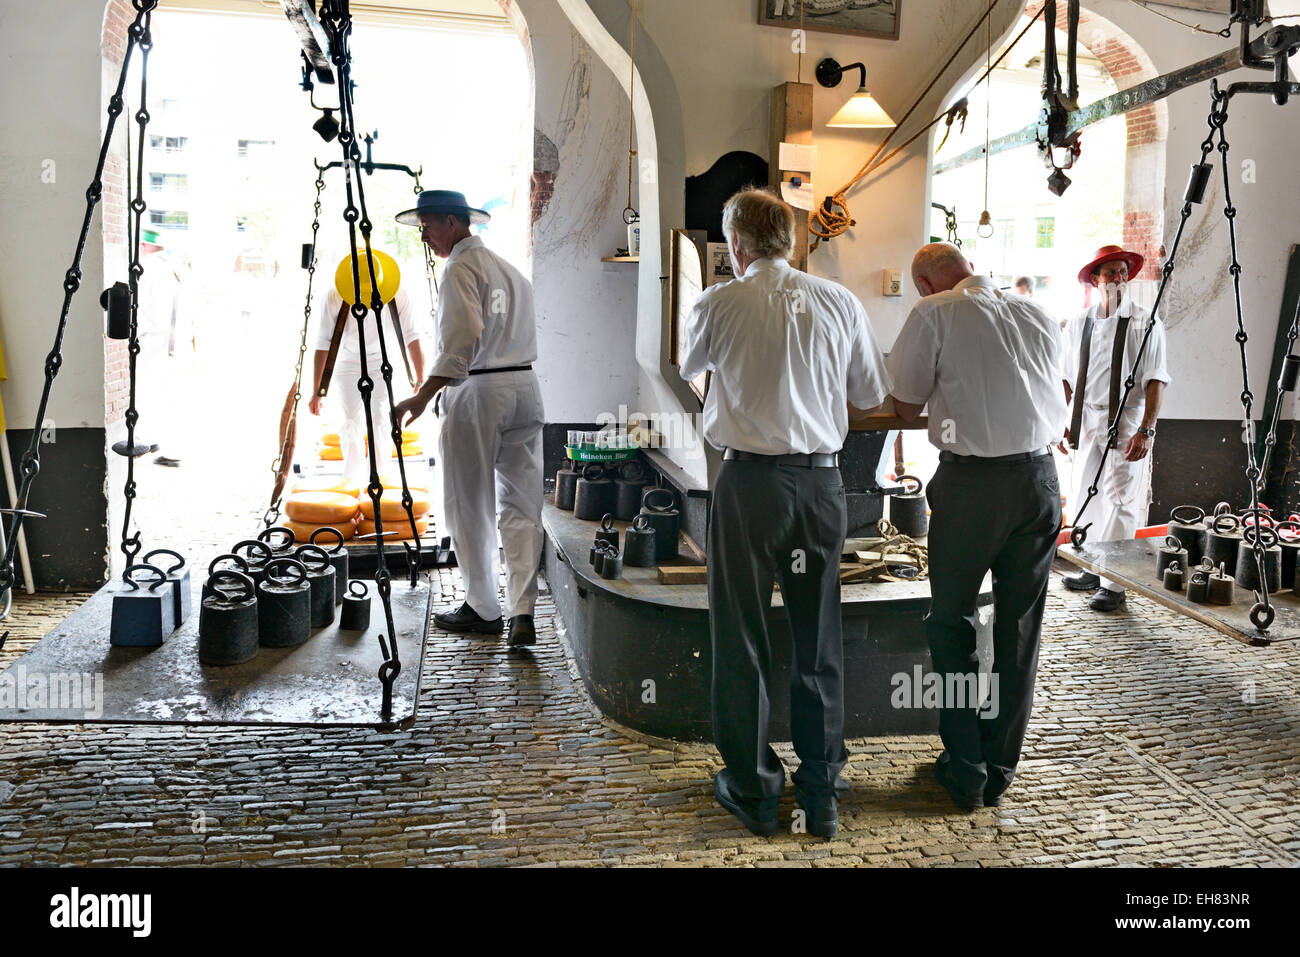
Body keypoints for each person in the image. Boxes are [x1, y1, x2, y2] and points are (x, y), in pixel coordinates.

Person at [680, 188, 890, 839]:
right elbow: (868, 394)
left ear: (735, 245)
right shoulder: (839, 300)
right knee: (817, 636)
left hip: (748, 487)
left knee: (742, 634)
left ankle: (754, 787)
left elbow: (691, 373)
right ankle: (821, 792)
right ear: (793, 241)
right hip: (821, 486)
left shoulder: (718, 301)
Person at [888, 243, 1067, 811]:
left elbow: (901, 405)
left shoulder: (934, 312)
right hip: (1041, 481)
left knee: (951, 623)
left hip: (974, 490)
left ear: (924, 282)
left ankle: (964, 767)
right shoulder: (1035, 309)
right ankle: (1000, 767)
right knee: (1019, 629)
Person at [393, 190, 544, 648]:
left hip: (478, 391)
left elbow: (462, 339)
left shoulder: (460, 267)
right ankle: (522, 611)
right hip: (524, 387)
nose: (425, 236)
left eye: (429, 226)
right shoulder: (511, 271)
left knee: (468, 504)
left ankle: (483, 607)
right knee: (522, 506)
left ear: (455, 222)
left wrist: (422, 397)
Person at [1061, 244, 1170, 612]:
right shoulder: (1079, 323)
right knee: (1085, 496)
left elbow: (1157, 378)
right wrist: (1062, 423)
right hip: (1087, 420)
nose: (1119, 279)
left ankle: (1114, 584)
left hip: (1127, 422)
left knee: (1120, 501)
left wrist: (1146, 430)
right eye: (1110, 272)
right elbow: (1066, 378)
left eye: (1123, 272)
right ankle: (1091, 566)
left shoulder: (1146, 321)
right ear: (1095, 279)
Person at [308, 249, 424, 488]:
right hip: (346, 361)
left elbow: (412, 336)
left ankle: (380, 479)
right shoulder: (334, 297)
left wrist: (420, 377)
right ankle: (351, 481)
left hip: (382, 359)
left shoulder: (397, 293)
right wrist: (317, 390)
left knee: (381, 419)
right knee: (350, 420)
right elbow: (323, 345)